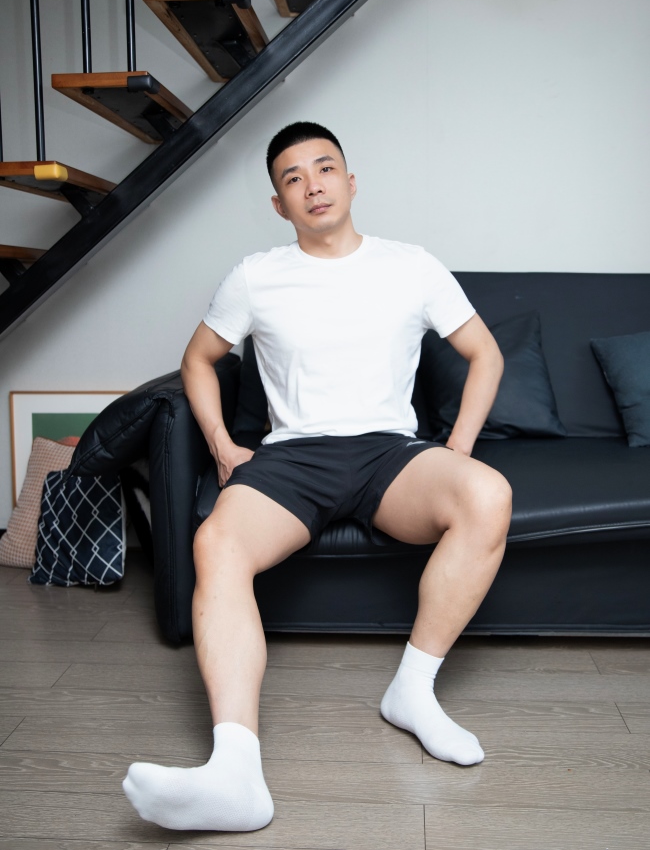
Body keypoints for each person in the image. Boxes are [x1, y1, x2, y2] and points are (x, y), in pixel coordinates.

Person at [122, 121, 512, 832]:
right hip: (293, 458)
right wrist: (221, 443)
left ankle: (413, 691)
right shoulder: (255, 276)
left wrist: (457, 447)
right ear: (280, 204)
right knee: (216, 543)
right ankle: (235, 772)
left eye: (325, 168)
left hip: (390, 454)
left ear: (351, 181)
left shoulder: (412, 266)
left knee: (488, 493)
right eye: (293, 178)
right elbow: (197, 360)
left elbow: (485, 353)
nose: (313, 185)